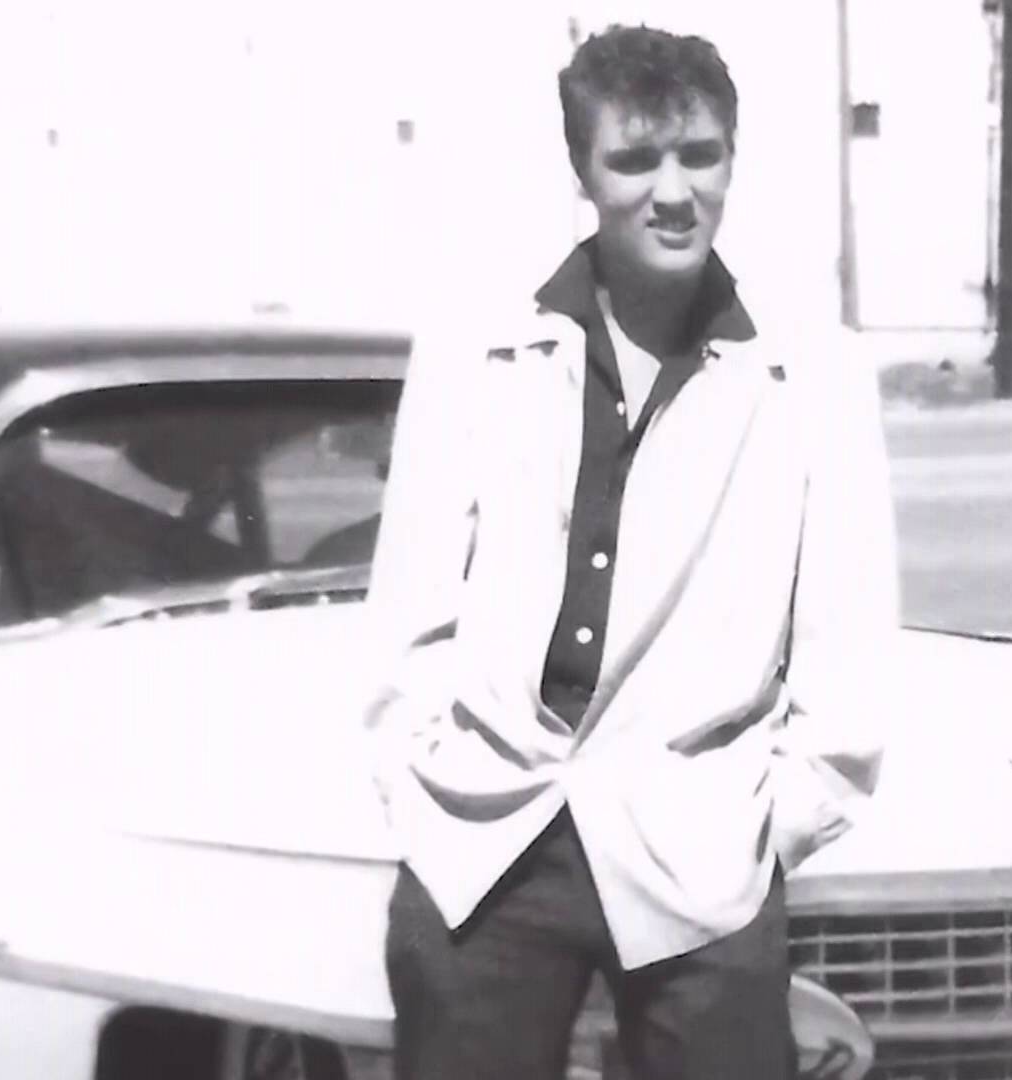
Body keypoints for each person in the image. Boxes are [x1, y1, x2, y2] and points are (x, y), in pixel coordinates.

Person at [364, 23, 901, 1080]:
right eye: (635, 160)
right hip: (485, 843)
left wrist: (774, 828)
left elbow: (847, 637)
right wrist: (421, 787)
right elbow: (409, 606)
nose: (673, 192)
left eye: (700, 156)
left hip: (703, 855)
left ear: (733, 159)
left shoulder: (815, 374)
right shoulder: (476, 351)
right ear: (583, 171)